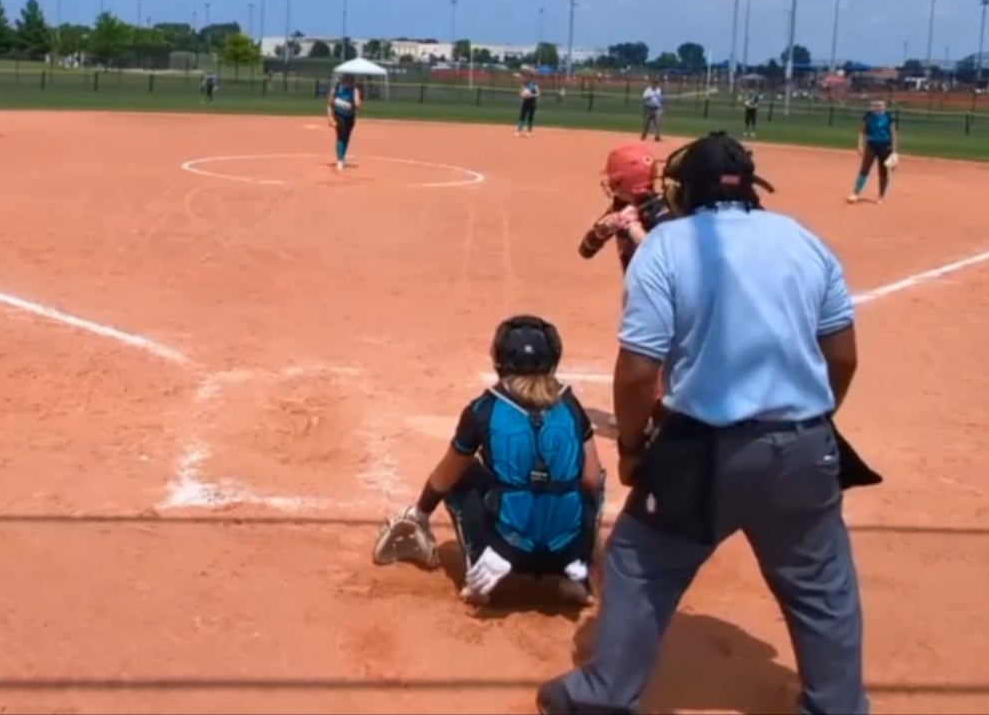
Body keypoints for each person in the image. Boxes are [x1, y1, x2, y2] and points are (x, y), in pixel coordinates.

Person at [538, 131, 871, 715]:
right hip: (805, 445)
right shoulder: (803, 240)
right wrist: (813, 424)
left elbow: (638, 372)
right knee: (821, 583)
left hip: (701, 449)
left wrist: (633, 445)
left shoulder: (667, 246)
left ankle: (604, 697)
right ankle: (837, 706)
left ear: (685, 191)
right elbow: (842, 356)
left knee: (640, 564)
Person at [372, 315, 606, 607]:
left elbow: (445, 477)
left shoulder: (483, 409)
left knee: (463, 472)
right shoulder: (571, 406)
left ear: (499, 359)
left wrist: (421, 512)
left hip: (507, 549)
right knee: (592, 479)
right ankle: (577, 569)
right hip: (565, 549)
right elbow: (591, 480)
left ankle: (481, 563)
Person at [580, 144, 670, 273]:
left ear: (625, 182)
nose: (610, 184)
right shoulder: (621, 206)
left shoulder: (664, 213)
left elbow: (666, 264)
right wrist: (601, 232)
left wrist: (635, 230)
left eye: (613, 181)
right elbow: (586, 251)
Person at [847, 98, 899, 204]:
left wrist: (894, 151)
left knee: (883, 171)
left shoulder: (889, 117)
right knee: (864, 168)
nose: (877, 107)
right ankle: (856, 193)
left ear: (884, 106)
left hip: (885, 145)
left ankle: (881, 196)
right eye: (875, 105)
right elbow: (862, 131)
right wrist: (860, 144)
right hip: (871, 144)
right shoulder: (868, 116)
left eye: (880, 105)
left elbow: (893, 134)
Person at [328, 72, 362, 172]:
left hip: (350, 117)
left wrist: (358, 99)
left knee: (346, 137)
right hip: (338, 115)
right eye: (346, 79)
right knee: (340, 136)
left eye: (350, 80)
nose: (348, 82)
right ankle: (339, 160)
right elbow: (330, 105)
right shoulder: (336, 89)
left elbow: (357, 104)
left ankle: (342, 157)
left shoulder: (354, 90)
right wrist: (330, 117)